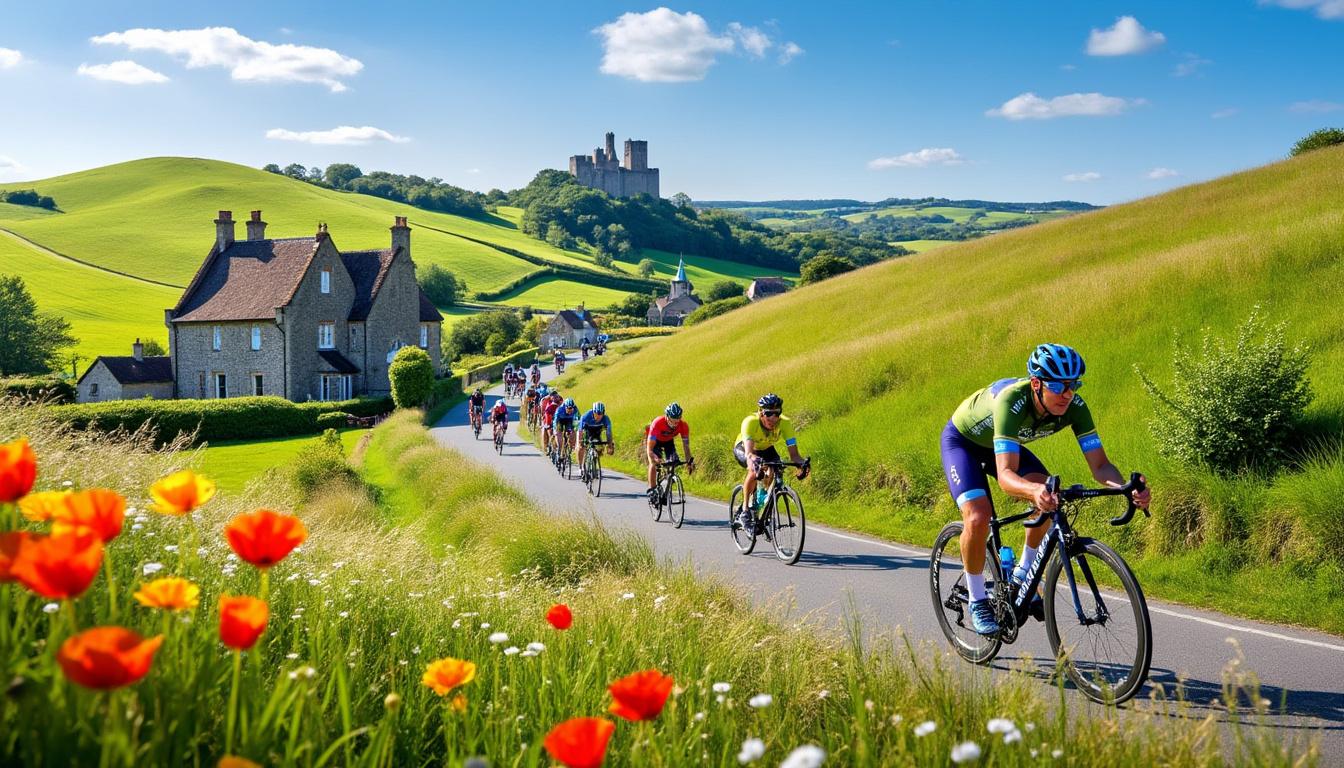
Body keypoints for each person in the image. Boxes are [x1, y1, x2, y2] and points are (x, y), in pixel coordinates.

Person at [941, 343, 1151, 636]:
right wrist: (1032, 491)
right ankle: (977, 600)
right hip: (963, 444)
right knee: (978, 517)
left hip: (1003, 446)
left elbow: (1101, 466)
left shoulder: (1075, 408)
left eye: (1073, 385)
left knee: (1050, 496)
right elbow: (1006, 476)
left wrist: (1125, 489)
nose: (1068, 393)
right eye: (1059, 386)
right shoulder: (1011, 401)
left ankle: (1022, 574)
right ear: (1037, 384)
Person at [733, 393, 808, 533]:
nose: (773, 418)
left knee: (775, 469)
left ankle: (761, 497)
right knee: (754, 470)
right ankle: (745, 510)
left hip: (766, 448)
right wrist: (753, 461)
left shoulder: (785, 423)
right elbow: (749, 454)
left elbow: (795, 455)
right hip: (745, 448)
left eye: (777, 413)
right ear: (761, 412)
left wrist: (802, 463)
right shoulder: (751, 422)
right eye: (769, 414)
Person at [645, 402, 694, 502]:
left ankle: (667, 482)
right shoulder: (657, 423)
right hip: (655, 442)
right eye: (672, 421)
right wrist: (654, 458)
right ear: (667, 416)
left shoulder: (683, 426)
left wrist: (689, 461)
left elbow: (686, 446)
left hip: (668, 442)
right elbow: (649, 449)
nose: (675, 424)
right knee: (653, 463)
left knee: (673, 461)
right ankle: (652, 490)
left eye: (677, 421)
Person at [577, 401, 614, 470]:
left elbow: (608, 433)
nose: (599, 416)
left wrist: (609, 444)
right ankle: (580, 467)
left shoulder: (606, 419)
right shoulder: (586, 416)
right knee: (581, 448)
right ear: (593, 412)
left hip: (597, 431)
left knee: (599, 448)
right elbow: (580, 431)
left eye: (601, 414)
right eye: (597, 414)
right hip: (587, 430)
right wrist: (580, 442)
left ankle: (594, 462)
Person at [553, 397, 581, 461]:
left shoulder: (575, 409)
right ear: (565, 407)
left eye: (572, 408)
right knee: (558, 433)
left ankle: (568, 451)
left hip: (569, 421)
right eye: (569, 408)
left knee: (571, 433)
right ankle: (559, 450)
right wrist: (556, 429)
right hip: (560, 420)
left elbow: (578, 421)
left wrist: (575, 429)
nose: (570, 410)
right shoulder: (560, 409)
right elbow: (555, 421)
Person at [541, 390, 563, 455]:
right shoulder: (545, 401)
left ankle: (560, 447)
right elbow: (545, 412)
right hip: (548, 415)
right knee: (546, 429)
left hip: (558, 417)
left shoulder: (561, 400)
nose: (555, 398)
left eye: (556, 397)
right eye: (553, 397)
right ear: (550, 397)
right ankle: (546, 446)